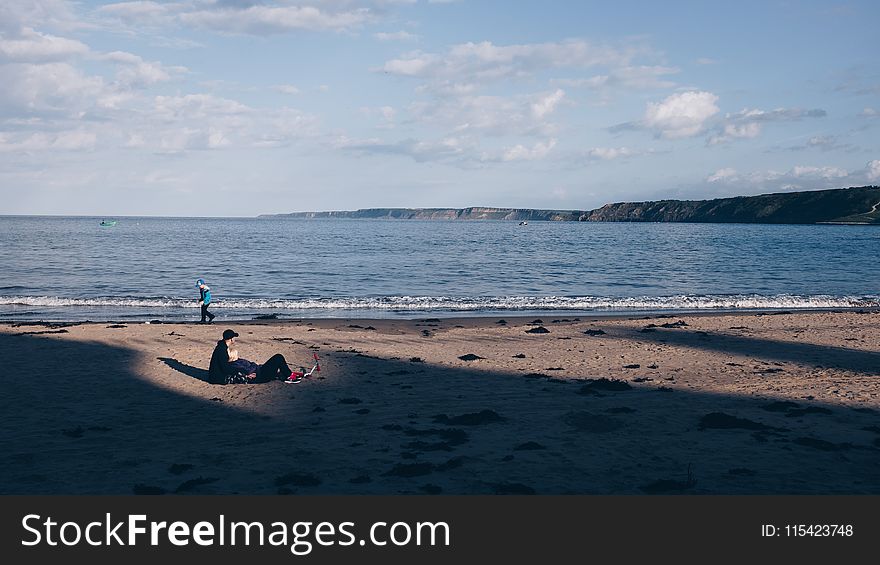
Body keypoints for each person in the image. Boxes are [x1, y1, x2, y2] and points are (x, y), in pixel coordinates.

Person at [208, 329, 301, 385]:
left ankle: (286, 374)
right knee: (278, 357)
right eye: (234, 337)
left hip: (257, 371)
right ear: (231, 339)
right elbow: (226, 368)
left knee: (276, 361)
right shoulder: (222, 350)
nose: (234, 339)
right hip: (258, 375)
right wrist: (245, 375)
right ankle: (289, 376)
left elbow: (227, 366)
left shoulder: (221, 347)